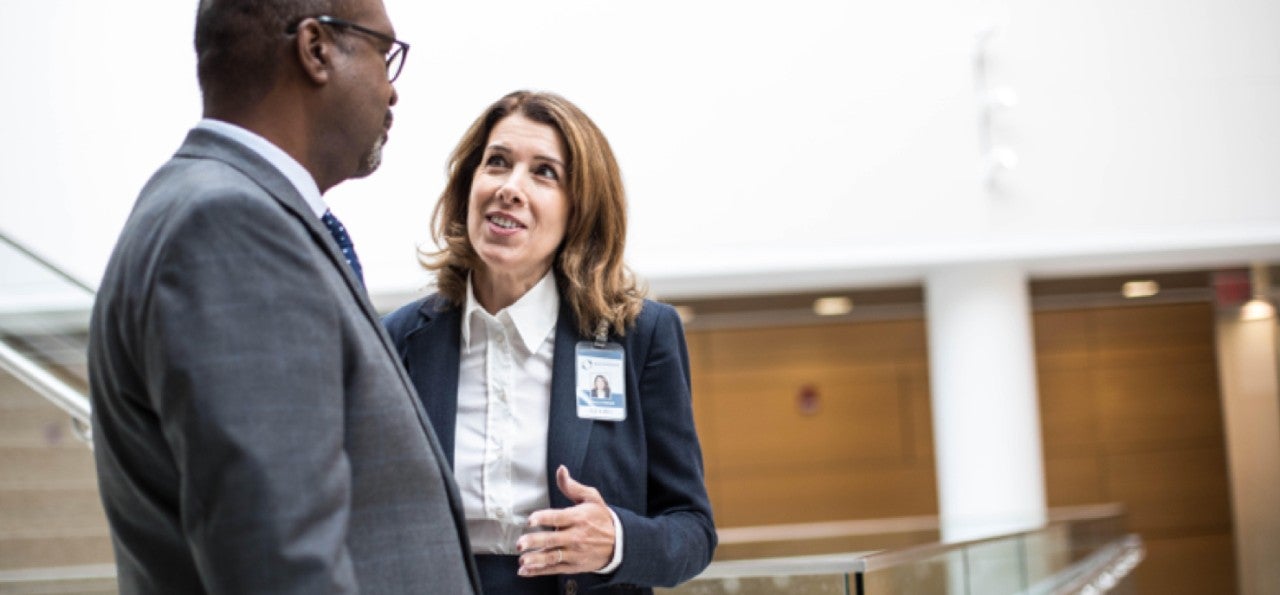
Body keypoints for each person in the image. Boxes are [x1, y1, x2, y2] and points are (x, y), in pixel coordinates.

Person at [87, 1, 480, 593]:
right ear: (316, 49)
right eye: (384, 52)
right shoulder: (230, 226)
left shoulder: (214, 206)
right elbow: (279, 562)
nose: (392, 90)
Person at [383, 90, 716, 595]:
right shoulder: (398, 340)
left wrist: (617, 542)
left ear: (579, 210)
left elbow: (692, 531)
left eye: (544, 172)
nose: (510, 188)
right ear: (469, 184)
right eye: (497, 163)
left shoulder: (639, 337)